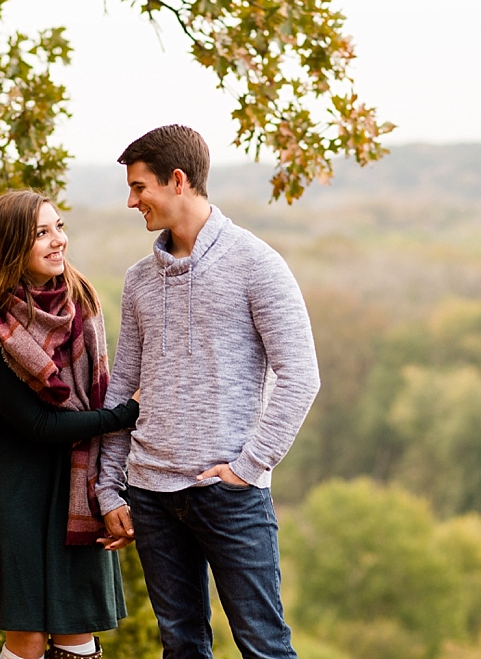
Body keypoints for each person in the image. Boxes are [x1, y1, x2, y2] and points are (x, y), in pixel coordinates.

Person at [96, 125, 321, 659]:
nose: (131, 201)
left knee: (264, 648)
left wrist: (249, 467)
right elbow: (122, 388)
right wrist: (110, 490)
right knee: (182, 649)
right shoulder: (138, 280)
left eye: (139, 187)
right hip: (150, 497)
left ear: (178, 181)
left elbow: (301, 375)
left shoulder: (256, 264)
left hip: (229, 495)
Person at [0, 190, 140, 659]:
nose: (58, 240)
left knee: (77, 632)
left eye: (59, 227)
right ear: (9, 244)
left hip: (76, 484)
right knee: (28, 637)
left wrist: (112, 489)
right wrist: (128, 413)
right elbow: (37, 424)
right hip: (14, 490)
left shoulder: (82, 303)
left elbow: (99, 387)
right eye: (42, 232)